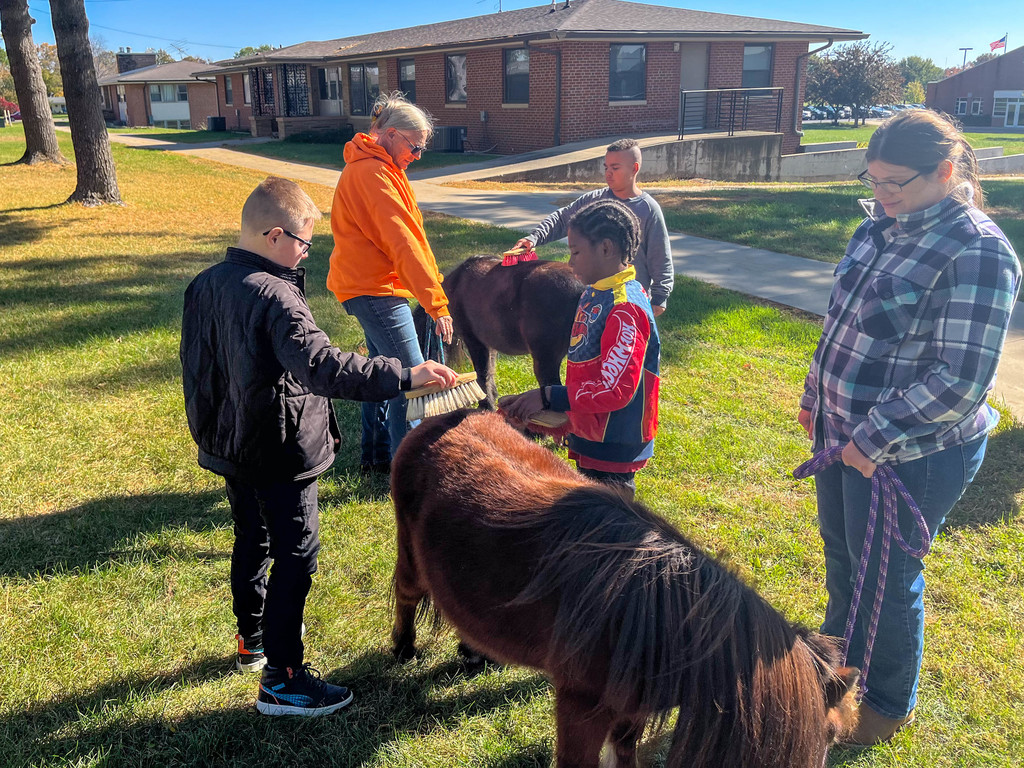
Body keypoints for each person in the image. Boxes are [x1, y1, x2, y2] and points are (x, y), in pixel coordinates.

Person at [180, 177, 457, 717]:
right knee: (296, 554)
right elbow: (325, 367)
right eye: (305, 242)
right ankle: (283, 680)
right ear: (275, 234)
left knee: (251, 537)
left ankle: (253, 639)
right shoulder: (276, 294)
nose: (308, 252)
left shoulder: (206, 283)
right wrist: (405, 374)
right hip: (279, 450)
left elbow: (199, 367)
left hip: (232, 445)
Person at [798, 110, 1021, 746]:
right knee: (844, 561)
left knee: (889, 581)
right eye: (873, 181)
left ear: (946, 173)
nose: (882, 195)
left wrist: (873, 439)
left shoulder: (977, 252)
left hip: (912, 454)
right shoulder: (875, 229)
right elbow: (839, 322)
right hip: (842, 434)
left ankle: (886, 706)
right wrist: (816, 395)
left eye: (896, 183)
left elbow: (961, 380)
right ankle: (838, 664)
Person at [327, 91, 453, 474]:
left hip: (372, 287)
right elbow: (401, 242)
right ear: (392, 135)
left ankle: (378, 456)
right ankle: (409, 471)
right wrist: (436, 303)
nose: (416, 156)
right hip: (375, 289)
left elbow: (414, 237)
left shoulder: (381, 168)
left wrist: (433, 288)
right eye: (414, 147)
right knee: (413, 379)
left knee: (384, 374)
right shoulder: (372, 173)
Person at [503, 199, 661, 498]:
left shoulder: (625, 309)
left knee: (609, 532)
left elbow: (614, 391)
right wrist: (562, 416)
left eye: (576, 252)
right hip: (591, 433)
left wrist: (550, 397)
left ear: (605, 248)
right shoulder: (594, 292)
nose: (570, 261)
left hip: (613, 446)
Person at [511, 138, 674, 316]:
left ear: (634, 168)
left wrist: (659, 297)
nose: (608, 173)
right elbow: (563, 218)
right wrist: (534, 237)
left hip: (628, 303)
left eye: (615, 168)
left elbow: (660, 257)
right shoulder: (593, 200)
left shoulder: (648, 209)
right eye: (606, 167)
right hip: (591, 299)